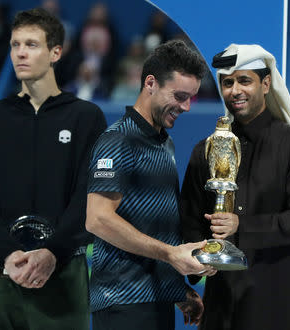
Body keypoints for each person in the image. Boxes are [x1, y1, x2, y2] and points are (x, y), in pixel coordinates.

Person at [0, 8, 106, 329]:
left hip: (64, 270)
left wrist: (53, 253)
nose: (20, 53)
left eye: (31, 44)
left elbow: (88, 195)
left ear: (56, 52)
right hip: (4, 268)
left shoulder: (86, 117)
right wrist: (8, 255)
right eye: (15, 45)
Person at [180, 44, 290, 330]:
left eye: (245, 80)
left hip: (281, 310)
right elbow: (189, 220)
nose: (235, 90)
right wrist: (199, 262)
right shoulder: (205, 150)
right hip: (222, 311)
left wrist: (240, 226)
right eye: (227, 82)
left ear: (266, 83)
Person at [85, 39, 216, 330]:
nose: (186, 106)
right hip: (122, 304)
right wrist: (171, 255)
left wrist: (175, 289)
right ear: (150, 83)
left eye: (191, 98)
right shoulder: (118, 140)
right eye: (180, 96)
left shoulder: (163, 142)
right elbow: (97, 219)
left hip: (153, 301)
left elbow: (150, 227)